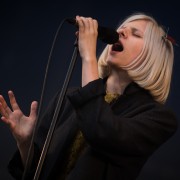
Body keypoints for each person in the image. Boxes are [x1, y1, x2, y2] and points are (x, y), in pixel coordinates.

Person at [0, 12, 178, 180]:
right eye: (122, 28)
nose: (121, 31)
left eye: (135, 34)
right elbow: (35, 173)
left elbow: (101, 131)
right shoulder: (68, 98)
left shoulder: (159, 119)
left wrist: (88, 57)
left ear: (153, 56)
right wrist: (25, 143)